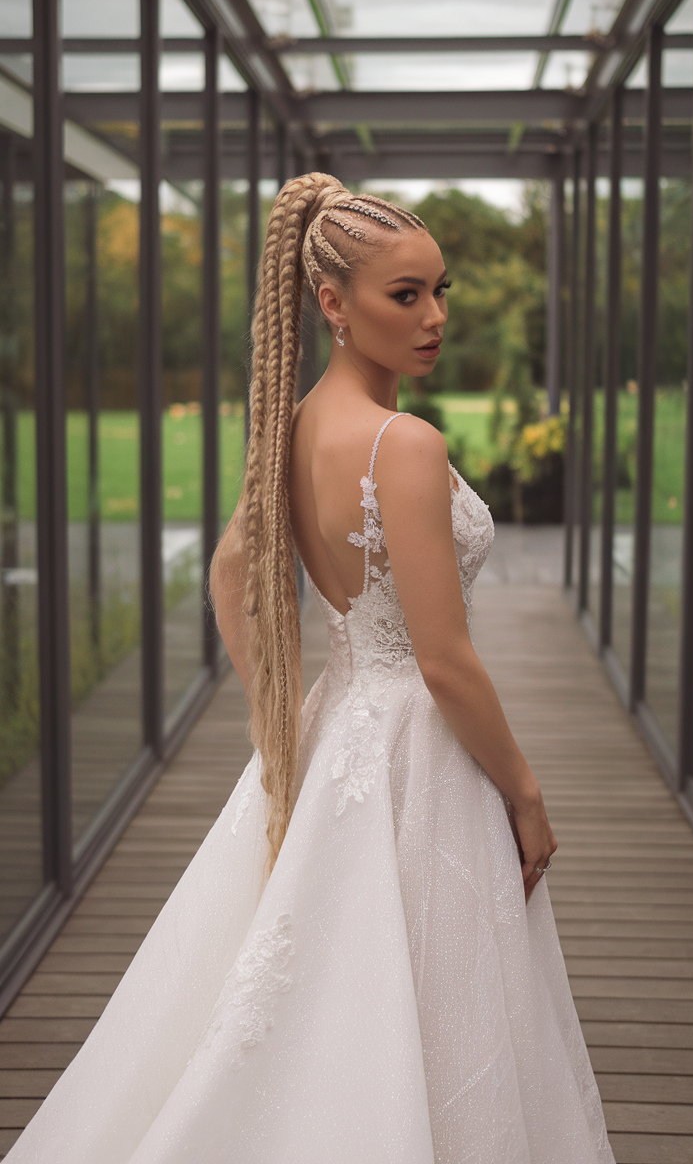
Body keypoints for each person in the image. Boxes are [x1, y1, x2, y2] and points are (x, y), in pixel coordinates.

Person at [6, 174, 615, 1163]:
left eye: (440, 289)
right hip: (421, 744)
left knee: (323, 975)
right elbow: (444, 658)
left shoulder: (291, 434)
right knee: (431, 983)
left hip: (343, 723)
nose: (435, 317)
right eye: (404, 295)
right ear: (332, 304)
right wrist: (527, 792)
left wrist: (281, 716)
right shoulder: (402, 444)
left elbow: (230, 570)